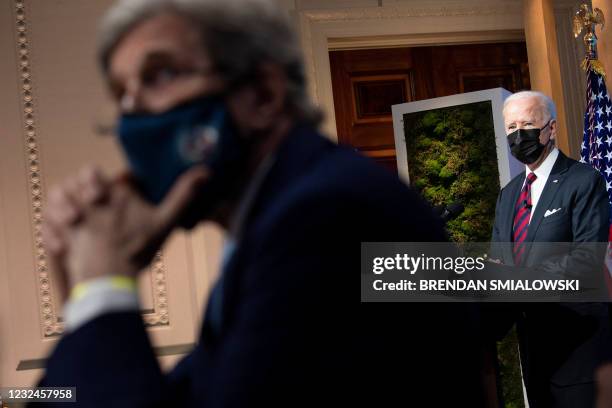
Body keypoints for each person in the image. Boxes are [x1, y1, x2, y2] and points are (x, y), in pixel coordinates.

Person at [34, 0, 486, 406]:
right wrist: (84, 292)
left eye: (161, 75)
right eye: (121, 95)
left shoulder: (326, 217)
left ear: (264, 94)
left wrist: (103, 287)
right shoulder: (269, 226)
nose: (133, 114)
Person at [489, 90, 612, 407]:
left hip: (579, 350)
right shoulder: (508, 195)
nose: (520, 135)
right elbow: (500, 264)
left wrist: (518, 278)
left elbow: (586, 260)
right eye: (512, 128)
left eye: (528, 123)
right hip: (533, 353)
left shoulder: (583, 180)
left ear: (551, 128)